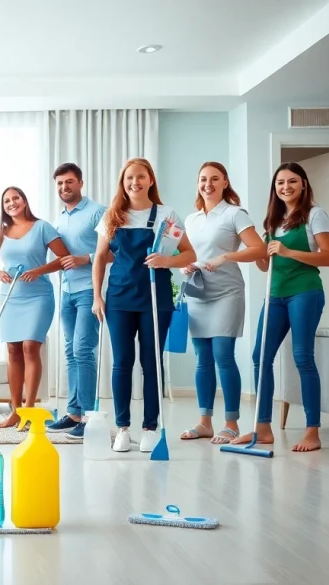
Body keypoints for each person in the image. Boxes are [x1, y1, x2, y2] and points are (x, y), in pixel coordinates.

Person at [92, 158, 196, 452]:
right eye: (128, 178)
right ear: (122, 183)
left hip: (155, 298)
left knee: (151, 363)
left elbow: (189, 254)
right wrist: (97, 297)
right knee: (122, 363)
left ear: (150, 180)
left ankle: (151, 427)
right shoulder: (112, 216)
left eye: (140, 177)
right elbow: (99, 257)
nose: (134, 182)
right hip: (119, 299)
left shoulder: (166, 215)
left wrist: (167, 261)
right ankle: (123, 428)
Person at [231, 162, 329, 452]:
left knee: (302, 357)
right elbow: (267, 266)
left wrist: (289, 251)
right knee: (259, 357)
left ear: (303, 184)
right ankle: (262, 428)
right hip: (275, 296)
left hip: (305, 293)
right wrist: (259, 255)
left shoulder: (316, 214)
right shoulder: (273, 221)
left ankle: (312, 431)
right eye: (280, 183)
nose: (286, 187)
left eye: (291, 181)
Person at [179, 162, 266, 444]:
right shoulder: (191, 220)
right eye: (203, 179)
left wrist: (226, 257)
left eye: (215, 179)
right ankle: (204, 422)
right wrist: (186, 265)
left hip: (227, 293)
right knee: (202, 360)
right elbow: (186, 253)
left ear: (225, 182)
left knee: (223, 356)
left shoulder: (234, 214)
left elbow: (258, 249)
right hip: (198, 294)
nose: (208, 184)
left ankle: (231, 424)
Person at [0, 187, 70, 429]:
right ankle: (15, 410)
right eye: (7, 200)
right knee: (13, 350)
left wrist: (38, 271)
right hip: (10, 295)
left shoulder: (42, 227)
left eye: (16, 198)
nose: (12, 203)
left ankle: (29, 409)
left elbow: (63, 259)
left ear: (24, 200)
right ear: (3, 206)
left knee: (30, 346)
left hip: (38, 295)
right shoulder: (1, 234)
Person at [45, 163, 107, 441]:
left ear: (81, 183)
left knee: (84, 350)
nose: (64, 187)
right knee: (70, 352)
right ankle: (73, 413)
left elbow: (116, 252)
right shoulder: (58, 219)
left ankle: (90, 417)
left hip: (89, 291)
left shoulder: (98, 212)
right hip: (66, 292)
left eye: (69, 182)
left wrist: (86, 257)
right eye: (59, 183)